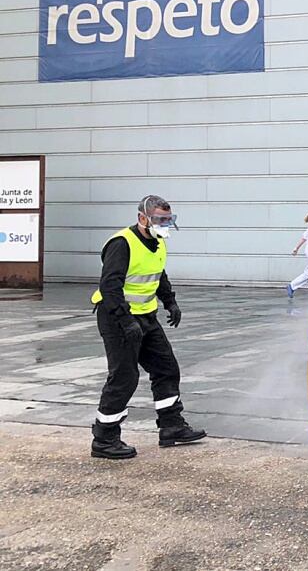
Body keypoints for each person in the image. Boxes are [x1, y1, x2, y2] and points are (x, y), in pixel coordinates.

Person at [89, 195, 206, 460]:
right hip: (118, 317)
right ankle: (104, 439)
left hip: (146, 316)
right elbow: (110, 287)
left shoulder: (158, 242)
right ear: (142, 218)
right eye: (159, 219)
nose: (164, 224)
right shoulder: (122, 243)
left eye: (168, 219)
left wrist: (170, 302)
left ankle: (171, 426)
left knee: (166, 368)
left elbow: (158, 273)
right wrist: (125, 320)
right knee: (124, 377)